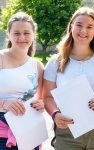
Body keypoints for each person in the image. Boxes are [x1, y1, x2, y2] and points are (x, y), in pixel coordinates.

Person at [43, 7, 94, 150]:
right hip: (67, 129)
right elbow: (47, 97)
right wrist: (55, 114)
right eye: (79, 25)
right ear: (71, 26)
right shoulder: (55, 62)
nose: (83, 31)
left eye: (89, 27)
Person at [0, 12, 44, 150]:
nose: (22, 38)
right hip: (2, 131)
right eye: (16, 33)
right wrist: (4, 103)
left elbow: (41, 100)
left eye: (26, 33)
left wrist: (40, 105)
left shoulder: (38, 66)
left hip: (29, 130)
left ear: (33, 35)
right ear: (8, 34)